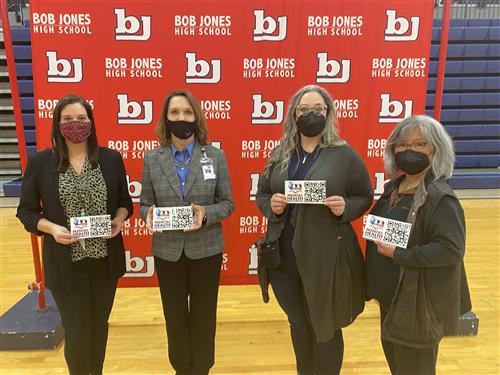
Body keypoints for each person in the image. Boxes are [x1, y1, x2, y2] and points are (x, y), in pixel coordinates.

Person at [255, 84, 373, 375]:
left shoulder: (343, 154)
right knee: (298, 323)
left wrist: (345, 208)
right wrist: (273, 205)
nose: (311, 115)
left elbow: (364, 196)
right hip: (284, 257)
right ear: (294, 114)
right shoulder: (280, 154)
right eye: (304, 109)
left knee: (325, 324)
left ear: (329, 113)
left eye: (318, 109)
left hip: (326, 257)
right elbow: (262, 195)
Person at [16, 94, 133, 374]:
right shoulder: (42, 162)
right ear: (57, 124)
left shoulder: (110, 159)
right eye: (67, 119)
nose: (75, 124)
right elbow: (27, 212)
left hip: (104, 261)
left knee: (98, 327)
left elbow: (125, 204)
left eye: (81, 118)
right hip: (65, 263)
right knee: (78, 331)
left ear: (91, 123)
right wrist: (53, 229)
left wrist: (118, 220)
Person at [365, 115, 472, 375]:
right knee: (398, 366)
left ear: (436, 149)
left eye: (420, 144)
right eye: (402, 145)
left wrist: (400, 254)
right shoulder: (395, 187)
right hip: (392, 300)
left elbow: (450, 250)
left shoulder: (440, 197)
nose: (408, 151)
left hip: (418, 305)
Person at [140, 89, 234, 375]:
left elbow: (228, 203)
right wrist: (149, 215)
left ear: (197, 117)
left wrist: (206, 214)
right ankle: (181, 368)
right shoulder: (152, 159)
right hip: (168, 251)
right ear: (166, 119)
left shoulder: (215, 156)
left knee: (205, 315)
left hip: (206, 249)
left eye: (187, 112)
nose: (182, 118)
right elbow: (144, 203)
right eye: (175, 113)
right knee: (175, 316)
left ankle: (202, 368)